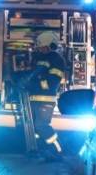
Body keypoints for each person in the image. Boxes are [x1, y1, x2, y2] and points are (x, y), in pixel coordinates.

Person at [24, 31, 66, 161]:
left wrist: (33, 83)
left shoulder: (57, 60)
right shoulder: (39, 58)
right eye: (39, 47)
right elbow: (33, 74)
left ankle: (57, 151)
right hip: (34, 98)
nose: (40, 49)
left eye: (42, 47)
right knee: (35, 128)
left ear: (50, 46)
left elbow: (52, 82)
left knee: (41, 126)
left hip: (45, 100)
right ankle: (42, 151)